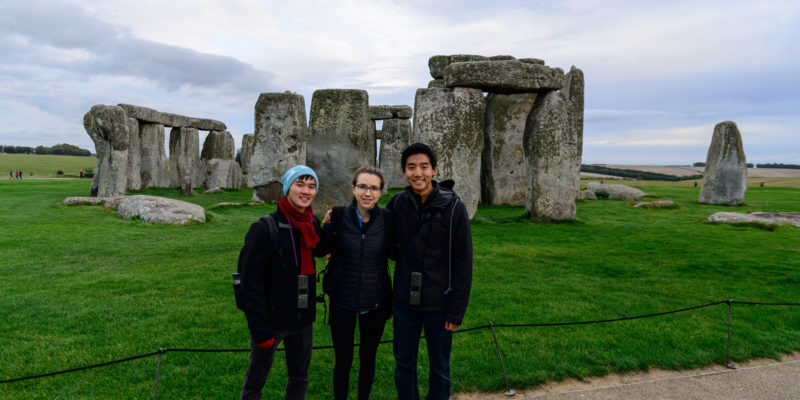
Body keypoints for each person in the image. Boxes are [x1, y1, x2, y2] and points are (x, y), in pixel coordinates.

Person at [386, 143, 473, 400]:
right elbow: (382, 242)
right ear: (404, 171)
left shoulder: (454, 207)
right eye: (411, 167)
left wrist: (456, 310)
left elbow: (463, 262)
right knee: (404, 366)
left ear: (434, 169)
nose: (418, 173)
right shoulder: (397, 204)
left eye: (424, 167)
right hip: (404, 302)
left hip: (440, 302)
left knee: (440, 368)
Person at [237, 165, 329, 400]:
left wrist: (329, 226)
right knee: (256, 381)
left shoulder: (311, 224)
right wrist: (259, 328)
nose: (306, 191)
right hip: (272, 319)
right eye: (300, 184)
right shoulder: (264, 228)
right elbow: (250, 283)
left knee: (299, 378)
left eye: (311, 186)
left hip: (303, 317)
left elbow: (320, 249)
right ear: (288, 188)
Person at [320, 166, 393, 400]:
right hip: (342, 299)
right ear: (353, 188)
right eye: (362, 186)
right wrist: (323, 226)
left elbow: (399, 252)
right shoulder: (339, 216)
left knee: (368, 358)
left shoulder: (388, 220)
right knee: (343, 360)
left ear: (381, 192)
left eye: (374, 188)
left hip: (376, 300)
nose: (367, 193)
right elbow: (320, 250)